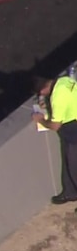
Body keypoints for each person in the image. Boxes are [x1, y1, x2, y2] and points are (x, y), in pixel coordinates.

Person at [33, 73, 77, 206]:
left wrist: (41, 120)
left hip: (73, 131)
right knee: (68, 162)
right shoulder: (65, 80)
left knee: (75, 167)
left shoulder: (57, 97)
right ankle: (70, 192)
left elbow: (55, 125)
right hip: (71, 128)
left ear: (42, 90)